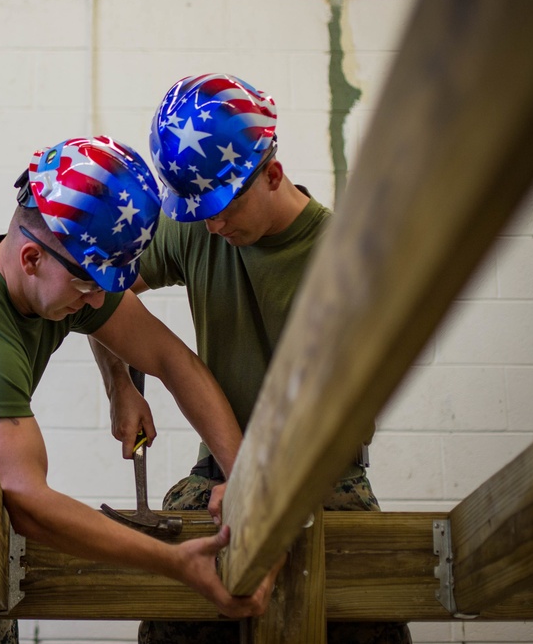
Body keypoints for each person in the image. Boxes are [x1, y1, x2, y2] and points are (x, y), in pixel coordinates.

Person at [0, 136, 280, 644]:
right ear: (31, 258)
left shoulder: (53, 281)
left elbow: (173, 362)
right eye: (89, 284)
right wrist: (174, 562)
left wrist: (244, 480)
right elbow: (29, 503)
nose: (96, 300)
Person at [91, 74, 413, 644]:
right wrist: (121, 383)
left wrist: (257, 486)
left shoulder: (346, 263)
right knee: (169, 616)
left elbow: (340, 418)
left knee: (369, 615)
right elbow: (101, 292)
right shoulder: (199, 229)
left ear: (272, 173)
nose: (211, 225)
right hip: (216, 469)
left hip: (322, 478)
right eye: (197, 212)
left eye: (221, 208)